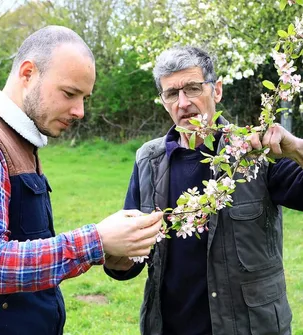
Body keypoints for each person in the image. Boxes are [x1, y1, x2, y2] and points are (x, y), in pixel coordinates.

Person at [0, 25, 163, 335]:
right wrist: (96, 240)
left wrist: (113, 244)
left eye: (84, 97)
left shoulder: (19, 137)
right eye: (70, 93)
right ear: (28, 74)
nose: (80, 111)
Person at [104, 46, 303, 335]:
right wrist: (115, 258)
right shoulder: (148, 160)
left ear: (217, 91)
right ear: (163, 101)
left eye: (193, 88)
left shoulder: (254, 152)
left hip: (248, 328)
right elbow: (130, 259)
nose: (183, 103)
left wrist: (296, 148)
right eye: (172, 93)